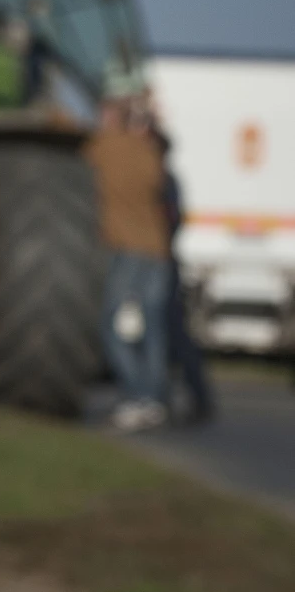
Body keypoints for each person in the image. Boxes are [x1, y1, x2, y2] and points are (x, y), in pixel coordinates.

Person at [84, 91, 173, 431]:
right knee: (152, 327)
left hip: (125, 247)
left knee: (110, 325)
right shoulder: (148, 151)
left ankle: (137, 394)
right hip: (156, 249)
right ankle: (153, 398)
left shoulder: (102, 147)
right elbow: (159, 183)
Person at [152, 124, 215, 424]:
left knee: (173, 334)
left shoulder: (164, 182)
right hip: (163, 261)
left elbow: (172, 220)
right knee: (169, 334)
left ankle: (194, 397)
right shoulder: (167, 180)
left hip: (161, 262)